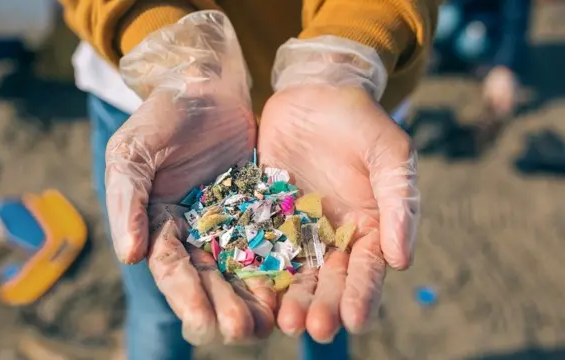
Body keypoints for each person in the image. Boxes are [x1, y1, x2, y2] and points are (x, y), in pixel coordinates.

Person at [60, 1, 437, 359]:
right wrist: (176, 63)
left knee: (327, 311)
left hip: (348, 111)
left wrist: (342, 61)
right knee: (159, 311)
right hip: (156, 97)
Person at [432, 0, 531, 118]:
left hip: (488, 23)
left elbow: (516, 19)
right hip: (459, 10)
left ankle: (480, 63)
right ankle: (441, 55)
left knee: (471, 44)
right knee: (444, 21)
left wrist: (504, 67)